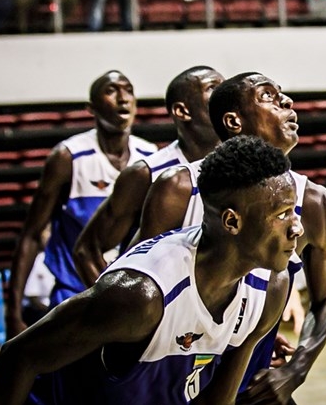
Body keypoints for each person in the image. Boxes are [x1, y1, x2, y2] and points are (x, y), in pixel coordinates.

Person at [0, 136, 299, 405]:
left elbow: (217, 401)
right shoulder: (140, 295)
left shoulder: (272, 287)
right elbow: (18, 356)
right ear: (232, 222)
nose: (297, 227)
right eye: (283, 214)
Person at [134, 72, 326, 404]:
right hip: (170, 375)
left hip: (247, 378)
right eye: (268, 96)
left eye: (283, 94)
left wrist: (295, 370)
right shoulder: (179, 188)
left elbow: (325, 301)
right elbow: (140, 287)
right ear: (233, 121)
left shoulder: (316, 204)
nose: (286, 101)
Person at [5, 71, 157, 339]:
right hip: (75, 292)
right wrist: (13, 313)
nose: (123, 98)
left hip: (129, 295)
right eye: (111, 91)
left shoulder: (150, 156)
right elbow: (30, 236)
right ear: (92, 108)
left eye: (129, 90)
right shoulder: (68, 157)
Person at [73, 66, 224, 287]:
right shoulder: (147, 173)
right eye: (213, 87)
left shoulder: (247, 166)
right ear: (182, 111)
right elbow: (86, 250)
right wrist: (116, 310)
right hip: (166, 309)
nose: (225, 94)